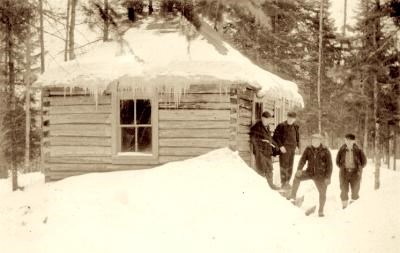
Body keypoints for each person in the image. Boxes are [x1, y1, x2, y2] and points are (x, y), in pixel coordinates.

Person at [288, 134, 332, 217]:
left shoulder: (325, 150)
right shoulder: (308, 149)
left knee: (323, 193)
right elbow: (302, 160)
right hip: (309, 172)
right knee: (297, 177)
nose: (315, 142)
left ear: (320, 141)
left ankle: (321, 210)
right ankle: (293, 196)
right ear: (311, 141)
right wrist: (299, 169)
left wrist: (328, 177)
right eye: (313, 140)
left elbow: (330, 165)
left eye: (317, 140)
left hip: (320, 175)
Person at [336, 133, 367, 209]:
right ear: (345, 141)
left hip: (355, 174)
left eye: (350, 140)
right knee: (343, 191)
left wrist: (358, 169)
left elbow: (364, 162)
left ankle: (354, 209)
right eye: (347, 140)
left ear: (354, 141)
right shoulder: (341, 150)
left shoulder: (358, 150)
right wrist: (343, 168)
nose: (348, 142)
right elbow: (337, 161)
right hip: (344, 173)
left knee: (355, 191)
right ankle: (345, 206)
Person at [250, 111, 279, 190]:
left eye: (269, 119)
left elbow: (269, 139)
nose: (268, 121)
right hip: (260, 152)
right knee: (262, 169)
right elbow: (253, 139)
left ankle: (271, 185)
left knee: (270, 168)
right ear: (262, 118)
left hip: (267, 152)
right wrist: (259, 148)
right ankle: (262, 188)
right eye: (266, 119)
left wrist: (276, 147)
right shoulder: (257, 127)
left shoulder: (267, 127)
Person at [273, 111, 300, 189]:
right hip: (284, 149)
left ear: (294, 119)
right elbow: (276, 137)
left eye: (292, 118)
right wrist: (281, 146)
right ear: (287, 117)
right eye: (289, 118)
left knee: (290, 166)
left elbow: (297, 138)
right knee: (284, 166)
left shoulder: (296, 126)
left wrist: (297, 146)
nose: (290, 120)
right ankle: (283, 183)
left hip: (292, 149)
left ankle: (287, 182)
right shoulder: (281, 126)